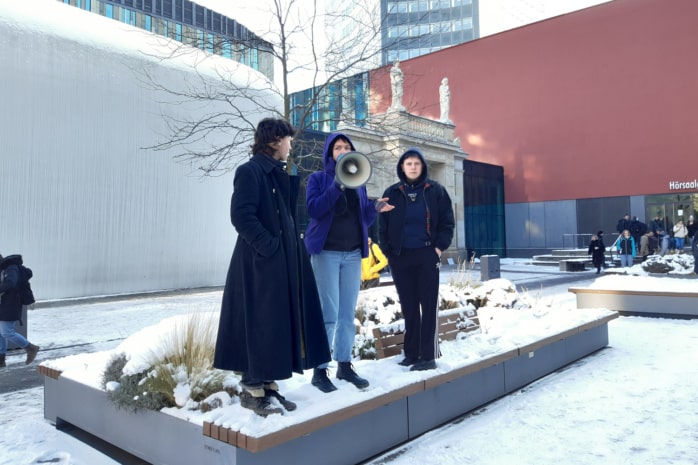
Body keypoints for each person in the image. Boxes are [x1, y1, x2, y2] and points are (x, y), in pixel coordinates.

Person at [213, 117, 331, 417]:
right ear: (275, 140)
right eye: (288, 140)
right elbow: (241, 216)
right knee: (259, 323)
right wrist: (271, 247)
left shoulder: (274, 173)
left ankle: (268, 387)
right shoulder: (250, 171)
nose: (291, 145)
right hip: (259, 265)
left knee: (273, 324)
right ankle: (252, 389)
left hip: (279, 264)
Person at [304, 132, 394, 393]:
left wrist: (374, 208)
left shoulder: (359, 182)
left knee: (346, 314)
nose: (342, 150)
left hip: (353, 254)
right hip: (327, 254)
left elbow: (363, 219)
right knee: (328, 313)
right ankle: (320, 370)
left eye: (346, 147)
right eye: (337, 147)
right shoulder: (319, 179)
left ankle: (344, 364)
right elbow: (315, 210)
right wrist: (338, 185)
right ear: (329, 153)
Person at [379, 147, 455, 371]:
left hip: (426, 254)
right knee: (409, 306)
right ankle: (412, 353)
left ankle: (428, 357)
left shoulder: (436, 191)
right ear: (402, 167)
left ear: (423, 167)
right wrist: (389, 253)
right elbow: (381, 225)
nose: (412, 167)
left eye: (416, 163)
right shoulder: (392, 192)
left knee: (428, 306)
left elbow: (447, 223)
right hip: (401, 257)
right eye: (408, 163)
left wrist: (438, 249)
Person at [0, 254, 40, 368]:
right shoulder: (3, 269)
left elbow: (11, 283)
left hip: (11, 304)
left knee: (6, 332)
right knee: (0, 333)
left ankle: (30, 348)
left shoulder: (11, 267)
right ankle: (1, 360)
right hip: (3, 304)